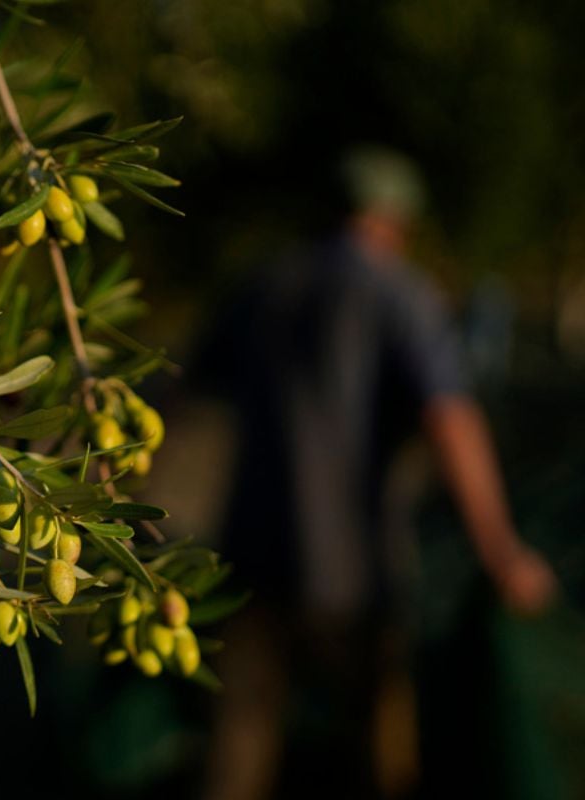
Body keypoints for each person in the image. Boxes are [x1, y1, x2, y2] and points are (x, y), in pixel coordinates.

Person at [192, 147, 557, 800]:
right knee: (376, 758)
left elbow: (187, 395)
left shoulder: (264, 284)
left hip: (249, 564)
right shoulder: (399, 293)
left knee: (237, 752)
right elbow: (453, 423)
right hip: (353, 575)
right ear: (394, 222)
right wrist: (501, 552)